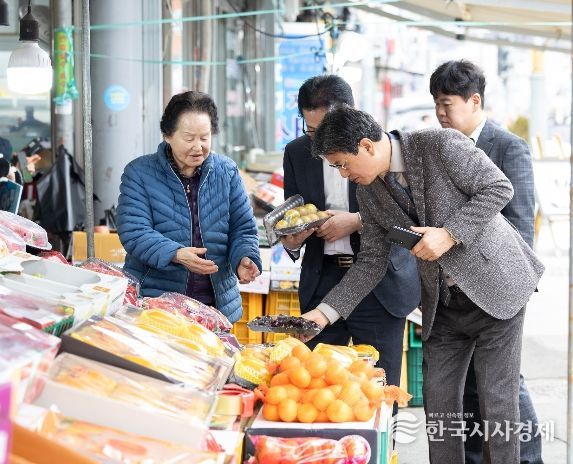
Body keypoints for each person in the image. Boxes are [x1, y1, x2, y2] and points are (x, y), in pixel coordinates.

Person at [304, 105, 544, 463]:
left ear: (367, 145)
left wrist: (449, 234)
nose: (343, 174)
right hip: (443, 303)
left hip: (496, 286)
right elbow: (371, 262)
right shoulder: (369, 194)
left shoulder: (440, 145)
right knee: (439, 403)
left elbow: (499, 188)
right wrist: (323, 314)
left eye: (342, 164)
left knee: (497, 402)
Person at [430, 59, 541, 464]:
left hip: (498, 287)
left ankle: (528, 458)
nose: (441, 114)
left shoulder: (508, 147)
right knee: (473, 390)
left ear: (474, 101)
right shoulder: (438, 150)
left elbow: (520, 223)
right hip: (453, 293)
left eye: (447, 104)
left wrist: (514, 286)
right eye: (436, 105)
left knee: (504, 390)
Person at [281, 75, 420, 388]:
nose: (319, 143)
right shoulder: (296, 153)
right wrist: (292, 239)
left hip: (381, 283)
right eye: (311, 131)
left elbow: (407, 216)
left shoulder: (378, 151)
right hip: (322, 279)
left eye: (325, 129)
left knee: (378, 387)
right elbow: (292, 213)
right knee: (317, 388)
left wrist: (356, 220)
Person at [117, 91, 262, 323]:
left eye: (204, 137)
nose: (198, 147)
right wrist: (175, 254)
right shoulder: (139, 173)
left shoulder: (227, 172)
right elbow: (134, 231)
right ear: (168, 135)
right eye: (189, 138)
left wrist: (245, 257)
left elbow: (242, 228)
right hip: (156, 302)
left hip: (215, 306)